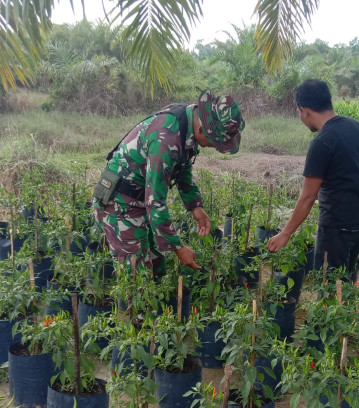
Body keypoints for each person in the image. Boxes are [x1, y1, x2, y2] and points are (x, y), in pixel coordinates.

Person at [93, 90, 245, 277]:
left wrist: (195, 206)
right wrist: (179, 247)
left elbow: (182, 166)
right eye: (214, 142)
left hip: (138, 198)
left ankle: (154, 303)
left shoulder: (188, 120)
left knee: (156, 264)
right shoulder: (166, 138)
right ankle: (133, 306)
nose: (213, 147)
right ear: (201, 130)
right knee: (135, 277)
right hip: (118, 202)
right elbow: (155, 202)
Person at [267, 79, 359, 281]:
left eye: (298, 112)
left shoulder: (322, 142)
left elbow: (308, 197)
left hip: (336, 227)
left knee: (328, 286)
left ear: (304, 110)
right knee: (345, 281)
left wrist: (285, 233)